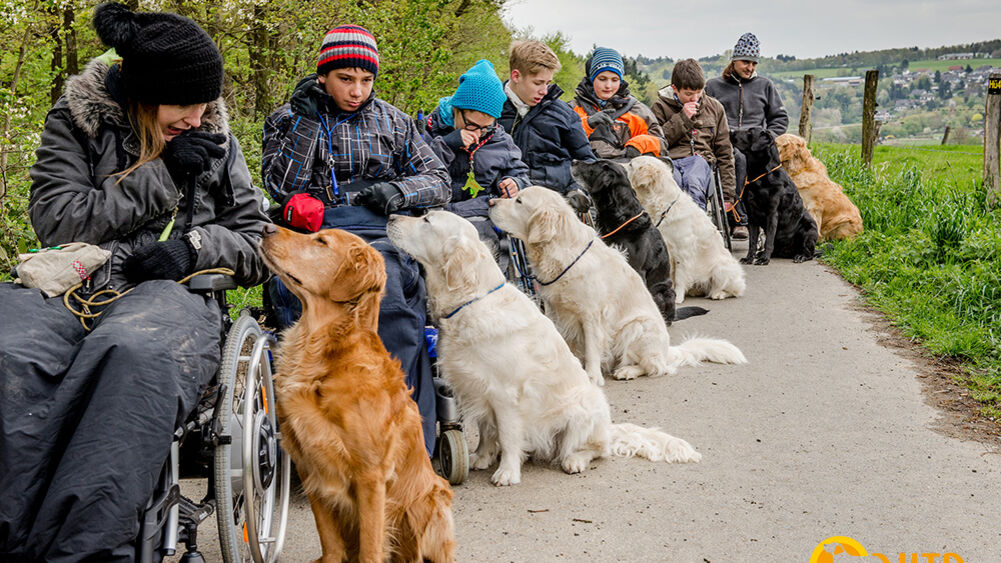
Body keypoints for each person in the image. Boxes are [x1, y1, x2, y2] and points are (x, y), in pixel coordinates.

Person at [0, 3, 270, 560]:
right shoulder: (76, 123)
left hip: (172, 295)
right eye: (184, 105)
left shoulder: (216, 140)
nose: (198, 118)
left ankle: (89, 549)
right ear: (142, 95)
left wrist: (192, 247)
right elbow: (56, 218)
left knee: (130, 356)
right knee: (9, 352)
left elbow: (255, 242)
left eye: (204, 104)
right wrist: (163, 172)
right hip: (73, 284)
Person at [261, 24, 450, 456]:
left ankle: (406, 441)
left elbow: (439, 179)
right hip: (314, 235)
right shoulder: (288, 118)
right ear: (323, 76)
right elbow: (279, 185)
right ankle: (321, 443)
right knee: (304, 305)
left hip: (379, 233)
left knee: (391, 299)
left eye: (366, 80)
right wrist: (307, 124)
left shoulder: (394, 120)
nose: (357, 90)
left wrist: (399, 192)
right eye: (346, 79)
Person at [424, 59, 530, 264]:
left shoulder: (501, 140)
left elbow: (521, 174)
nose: (479, 134)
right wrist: (447, 144)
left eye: (486, 127)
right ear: (457, 109)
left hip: (480, 216)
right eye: (472, 125)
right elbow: (416, 170)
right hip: (435, 214)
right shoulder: (428, 128)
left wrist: (515, 183)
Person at [704, 32, 789, 240]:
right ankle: (740, 220)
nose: (750, 68)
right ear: (734, 60)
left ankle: (783, 224)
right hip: (726, 141)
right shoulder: (714, 86)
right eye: (745, 62)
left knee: (763, 165)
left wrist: (766, 137)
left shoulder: (765, 86)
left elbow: (780, 118)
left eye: (753, 63)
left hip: (756, 145)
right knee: (738, 159)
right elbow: (704, 115)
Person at [497, 40, 595, 196]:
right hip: (505, 202)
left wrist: (578, 190)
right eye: (538, 83)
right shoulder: (489, 110)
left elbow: (588, 163)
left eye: (548, 83)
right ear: (516, 76)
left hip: (558, 200)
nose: (544, 91)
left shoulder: (564, 113)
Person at [651, 58, 736, 211]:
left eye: (699, 92)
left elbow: (725, 152)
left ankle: (697, 229)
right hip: (670, 160)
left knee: (692, 182)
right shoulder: (659, 107)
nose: (695, 99)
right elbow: (657, 143)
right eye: (689, 94)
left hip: (700, 160)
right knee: (673, 186)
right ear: (675, 89)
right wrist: (683, 118)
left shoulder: (715, 108)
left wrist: (727, 194)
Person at [571, 47, 668, 160]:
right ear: (592, 79)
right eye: (602, 79)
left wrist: (638, 145)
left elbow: (660, 143)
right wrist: (588, 124)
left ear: (621, 81)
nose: (608, 85)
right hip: (585, 171)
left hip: (625, 171)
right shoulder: (573, 108)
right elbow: (561, 141)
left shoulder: (637, 111)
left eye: (614, 80)